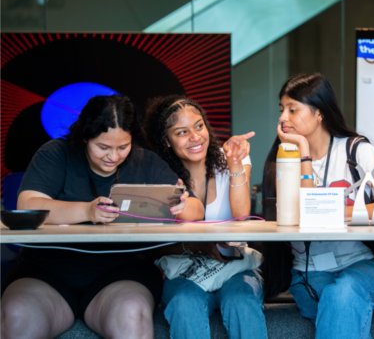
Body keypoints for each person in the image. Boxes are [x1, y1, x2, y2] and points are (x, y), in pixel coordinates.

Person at [1, 95, 199, 339]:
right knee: (18, 314)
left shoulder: (145, 161)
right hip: (47, 272)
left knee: (131, 314)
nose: (113, 156)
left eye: (122, 147)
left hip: (122, 274)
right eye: (103, 147)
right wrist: (87, 211)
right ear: (85, 137)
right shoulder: (56, 153)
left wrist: (182, 206)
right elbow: (28, 203)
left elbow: (195, 208)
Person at [262, 72, 374, 339]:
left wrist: (334, 212)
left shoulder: (355, 150)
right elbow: (304, 216)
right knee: (338, 297)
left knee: (341, 294)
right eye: (281, 109)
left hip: (361, 267)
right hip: (308, 275)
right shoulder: (284, 157)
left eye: (293, 109)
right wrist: (303, 153)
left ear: (319, 113)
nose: (283, 118)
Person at [143, 95, 267, 339]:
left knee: (241, 301)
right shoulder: (159, 173)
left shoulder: (231, 157)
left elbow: (241, 213)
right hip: (184, 271)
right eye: (181, 132)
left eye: (199, 126)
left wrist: (234, 164)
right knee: (183, 304)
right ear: (166, 141)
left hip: (235, 267)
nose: (195, 137)